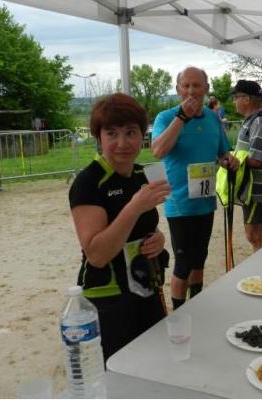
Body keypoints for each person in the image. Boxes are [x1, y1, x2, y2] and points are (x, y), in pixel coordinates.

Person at [69, 93, 170, 361]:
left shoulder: (141, 174)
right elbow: (97, 254)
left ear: (142, 135)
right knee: (118, 376)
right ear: (99, 138)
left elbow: (141, 230)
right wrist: (135, 205)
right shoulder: (88, 182)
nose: (122, 143)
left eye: (130, 132)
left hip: (146, 287)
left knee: (155, 364)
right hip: (108, 299)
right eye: (111, 133)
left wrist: (158, 240)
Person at [151, 66, 237, 310]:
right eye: (185, 85)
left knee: (200, 259)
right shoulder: (166, 118)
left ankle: (196, 304)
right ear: (178, 89)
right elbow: (158, 151)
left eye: (196, 85)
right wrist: (181, 118)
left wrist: (229, 160)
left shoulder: (212, 118)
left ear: (206, 89)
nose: (191, 90)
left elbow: (222, 152)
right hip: (179, 203)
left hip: (205, 200)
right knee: (183, 262)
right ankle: (179, 312)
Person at [232, 80, 262, 252]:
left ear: (247, 99)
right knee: (254, 233)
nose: (234, 102)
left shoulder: (260, 122)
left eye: (236, 97)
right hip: (251, 188)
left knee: (254, 234)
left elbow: (257, 159)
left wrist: (232, 160)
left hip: (258, 188)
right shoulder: (252, 120)